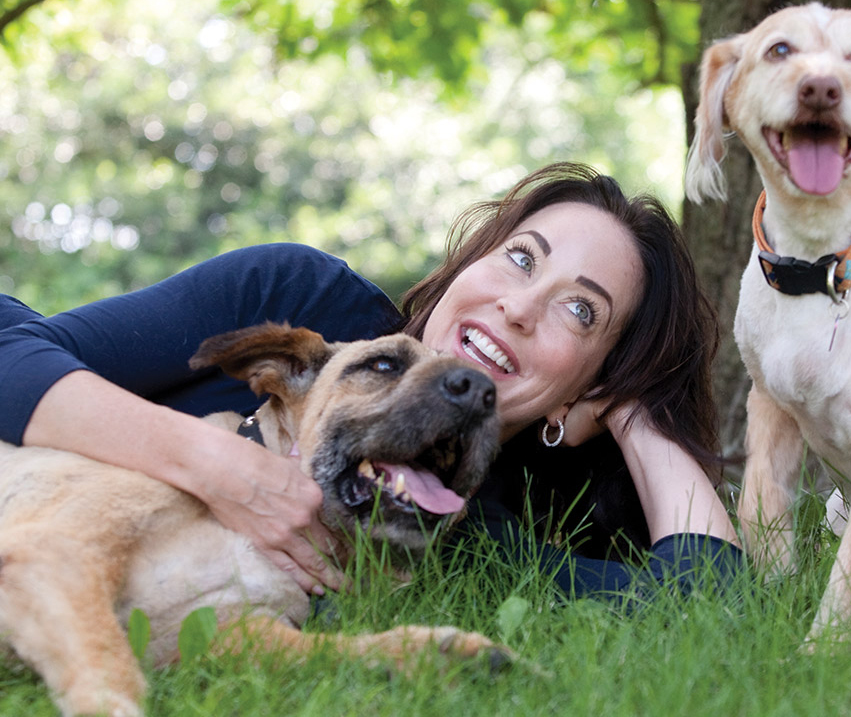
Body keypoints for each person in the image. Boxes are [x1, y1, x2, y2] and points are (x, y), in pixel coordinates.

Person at [0, 162, 742, 601]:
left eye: (580, 311)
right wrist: (219, 465)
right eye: (521, 257)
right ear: (471, 262)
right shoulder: (303, 300)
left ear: (587, 388)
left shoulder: (461, 525)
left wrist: (639, 411)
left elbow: (704, 603)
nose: (520, 306)